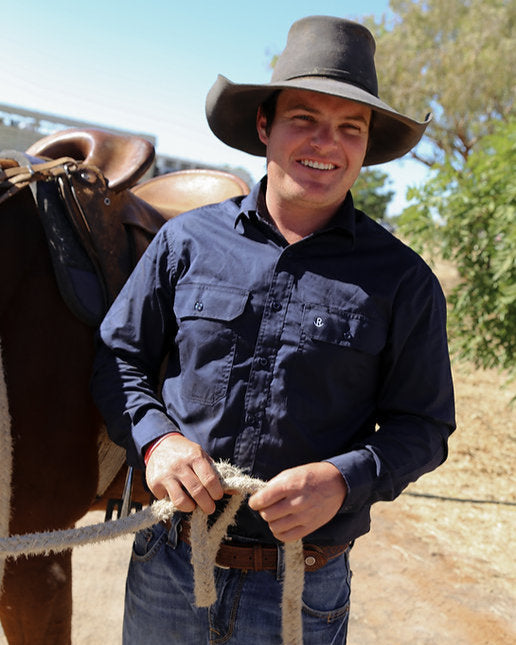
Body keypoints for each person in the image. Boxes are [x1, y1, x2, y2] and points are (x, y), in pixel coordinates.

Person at [91, 15, 455, 645]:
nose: (326, 143)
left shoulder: (404, 281)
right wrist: (157, 444)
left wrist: (346, 479)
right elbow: (118, 358)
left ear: (366, 145)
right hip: (170, 567)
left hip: (302, 587)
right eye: (304, 119)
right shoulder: (185, 242)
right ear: (265, 125)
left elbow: (423, 426)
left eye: (350, 127)